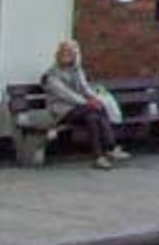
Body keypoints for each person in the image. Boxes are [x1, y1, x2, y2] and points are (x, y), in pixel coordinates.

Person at [43, 39, 130, 170]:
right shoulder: (51, 74)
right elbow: (66, 95)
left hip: (81, 109)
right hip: (61, 112)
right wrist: (88, 102)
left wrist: (95, 98)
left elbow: (85, 88)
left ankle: (99, 157)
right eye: (65, 52)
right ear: (59, 54)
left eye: (71, 52)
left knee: (93, 116)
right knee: (93, 108)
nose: (67, 55)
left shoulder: (76, 70)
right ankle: (111, 147)